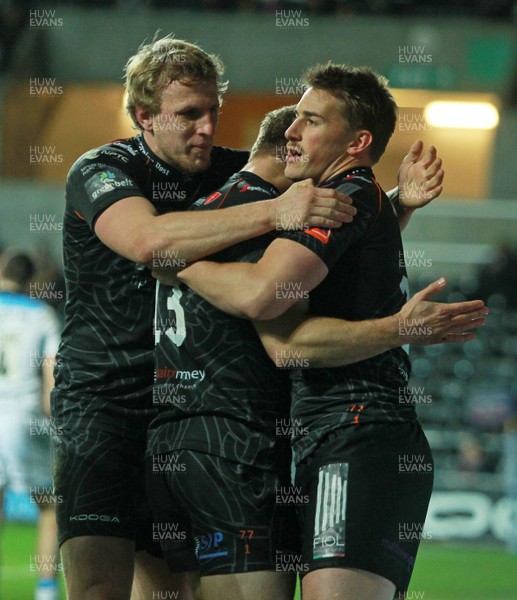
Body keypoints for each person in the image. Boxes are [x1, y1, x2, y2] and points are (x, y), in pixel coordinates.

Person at [50, 35, 355, 600]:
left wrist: (399, 204)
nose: (208, 128)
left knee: (178, 590)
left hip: (189, 416)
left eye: (213, 111)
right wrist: (274, 209)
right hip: (104, 406)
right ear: (144, 115)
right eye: (189, 115)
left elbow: (332, 217)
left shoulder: (235, 174)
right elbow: (147, 242)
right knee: (99, 588)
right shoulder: (102, 169)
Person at [175, 64, 488, 600]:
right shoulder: (353, 196)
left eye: (310, 120)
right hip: (331, 437)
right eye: (295, 119)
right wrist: (402, 204)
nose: (292, 131)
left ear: (358, 140)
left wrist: (175, 259)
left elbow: (276, 324)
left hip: (358, 434)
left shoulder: (346, 193)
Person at [0, 250, 61, 600]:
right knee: (50, 503)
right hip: (23, 418)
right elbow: (50, 378)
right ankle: (46, 591)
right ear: (30, 281)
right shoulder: (42, 315)